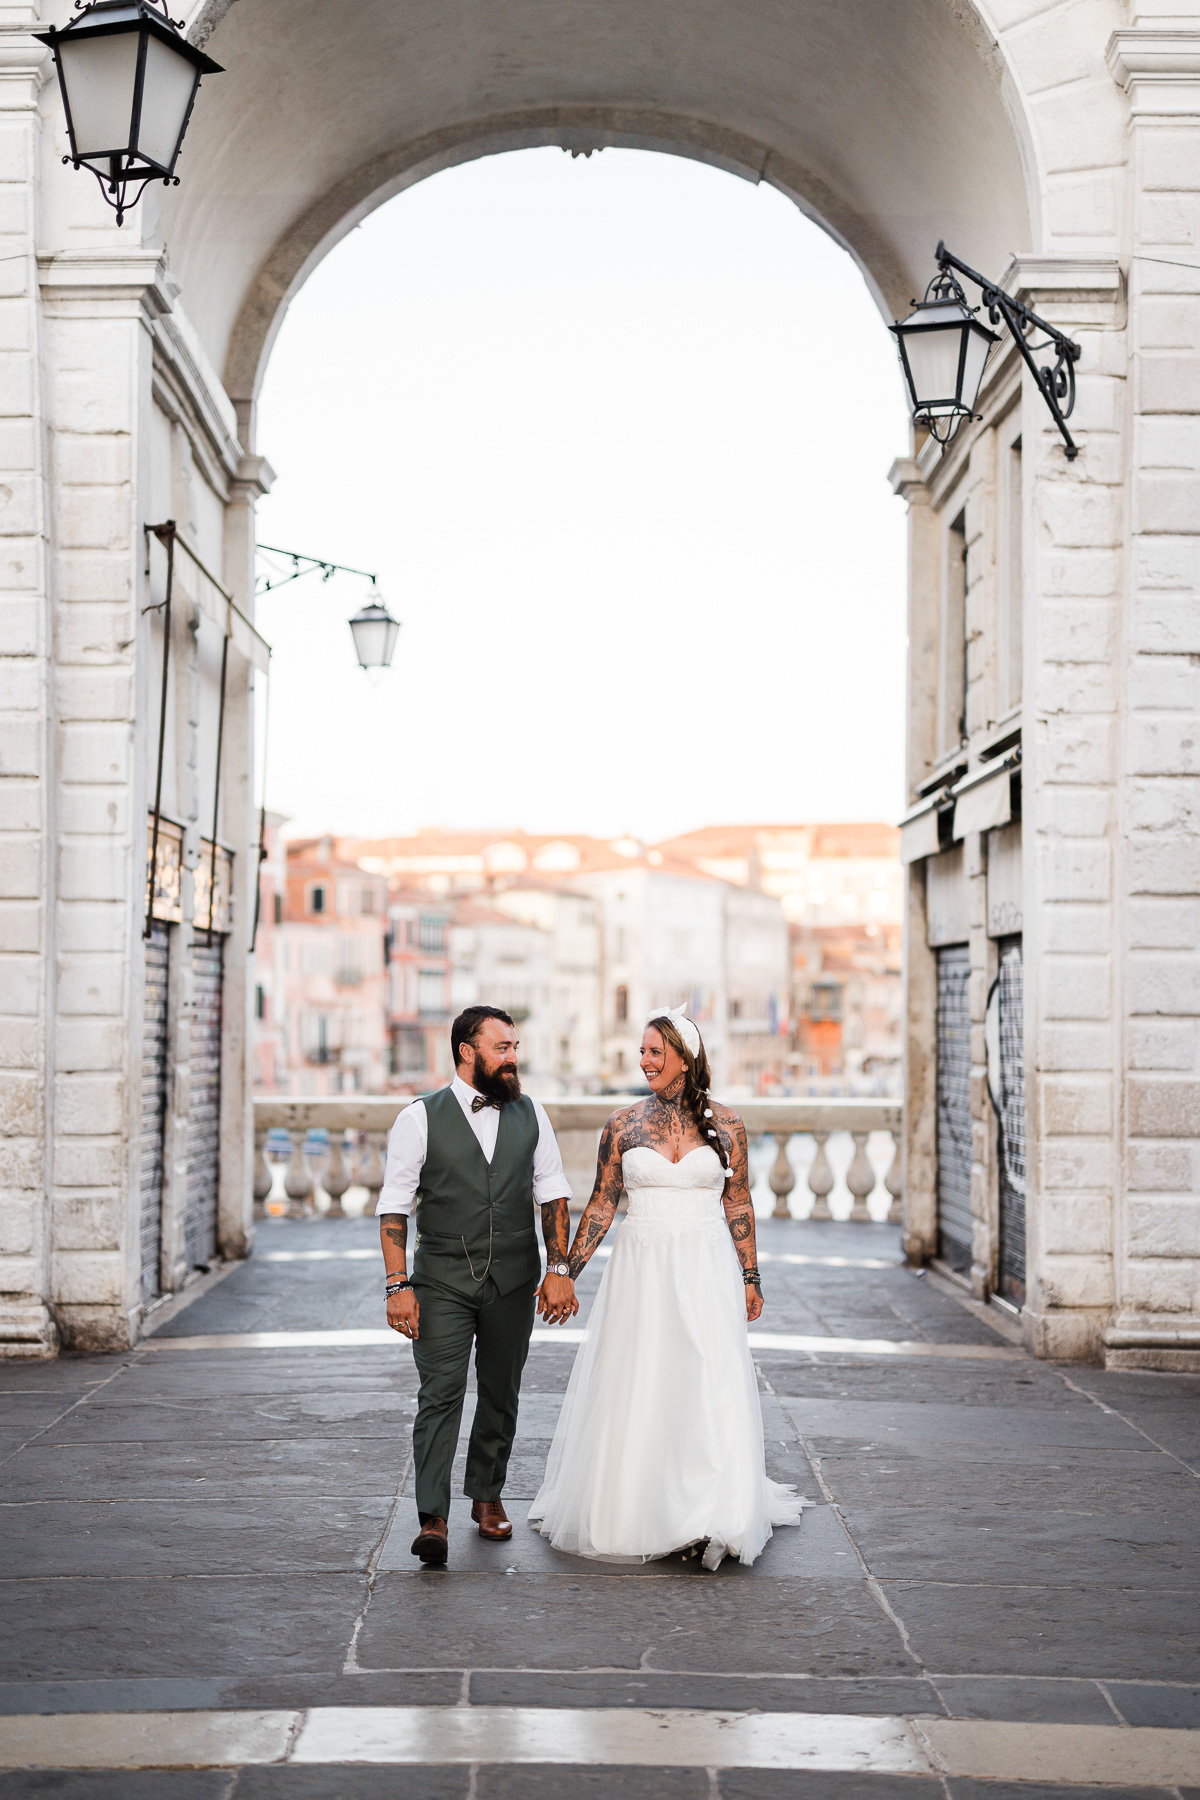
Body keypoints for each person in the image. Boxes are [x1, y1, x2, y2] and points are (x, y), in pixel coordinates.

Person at [530, 1005, 810, 1569]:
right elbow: (603, 1204)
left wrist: (751, 1276)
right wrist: (562, 1274)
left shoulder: (728, 1125)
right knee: (644, 1377)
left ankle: (713, 1511)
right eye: (642, 1051)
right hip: (644, 1270)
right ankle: (643, 1504)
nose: (645, 1061)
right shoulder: (624, 1124)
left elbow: (739, 1201)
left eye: (656, 1052)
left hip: (707, 1266)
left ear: (686, 1059)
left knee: (708, 1377)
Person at [378, 1005, 578, 1566]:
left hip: (514, 1279)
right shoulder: (419, 1117)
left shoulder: (532, 1114)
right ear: (468, 1051)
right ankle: (432, 1517)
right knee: (440, 1393)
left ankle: (487, 1497)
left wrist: (558, 1271)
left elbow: (553, 1194)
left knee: (501, 1391)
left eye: (515, 1047)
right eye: (502, 1048)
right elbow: (394, 1208)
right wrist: (399, 1286)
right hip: (440, 1280)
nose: (513, 1057)